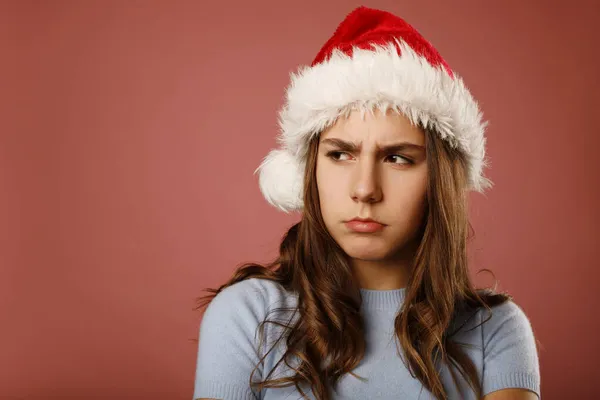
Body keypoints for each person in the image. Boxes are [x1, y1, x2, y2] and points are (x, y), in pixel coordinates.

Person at [192, 6, 541, 400]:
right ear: (310, 171)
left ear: (439, 183)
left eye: (397, 158)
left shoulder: (494, 331)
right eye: (340, 154)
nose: (364, 189)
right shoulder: (247, 316)